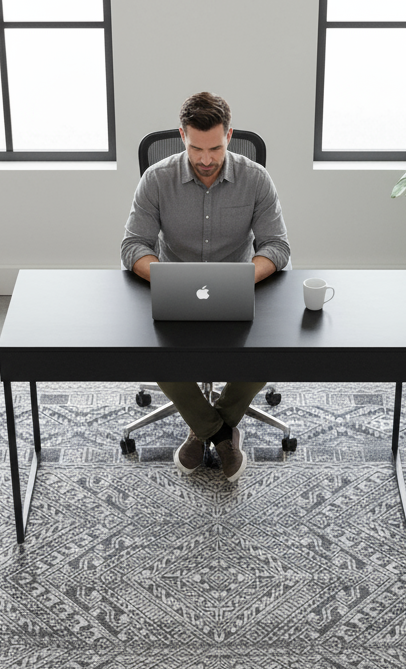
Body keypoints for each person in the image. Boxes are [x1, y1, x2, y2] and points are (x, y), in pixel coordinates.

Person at [120, 92, 290, 482]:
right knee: (153, 353)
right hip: (175, 293)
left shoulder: (255, 179)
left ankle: (203, 428)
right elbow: (133, 246)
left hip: (240, 290)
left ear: (229, 136)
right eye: (196, 148)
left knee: (270, 353)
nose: (206, 159)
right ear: (182, 135)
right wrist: (165, 278)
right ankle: (222, 433)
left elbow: (277, 247)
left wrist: (242, 278)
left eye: (215, 148)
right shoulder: (157, 179)